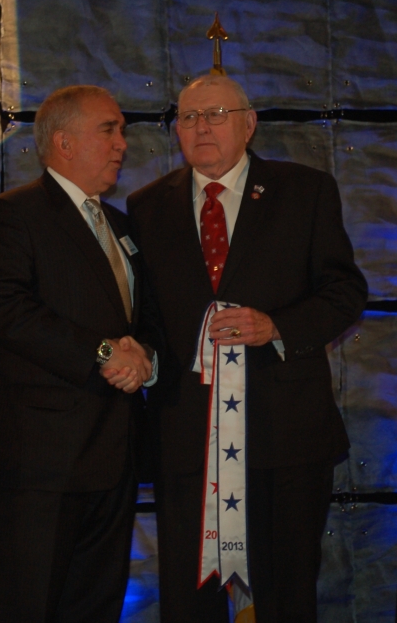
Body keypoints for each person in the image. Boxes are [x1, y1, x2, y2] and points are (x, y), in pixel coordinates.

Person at [127, 75, 368, 623]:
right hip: (187, 445)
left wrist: (275, 326)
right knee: (190, 604)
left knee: (286, 599)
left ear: (249, 123)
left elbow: (345, 292)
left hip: (286, 439)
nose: (201, 127)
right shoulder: (146, 206)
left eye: (216, 114)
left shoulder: (305, 191)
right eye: (188, 117)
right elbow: (149, 318)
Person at [0, 85, 158, 623]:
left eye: (122, 131)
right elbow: (5, 312)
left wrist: (142, 353)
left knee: (95, 609)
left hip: (113, 461)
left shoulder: (121, 226)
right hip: (39, 468)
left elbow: (139, 323)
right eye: (109, 130)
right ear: (64, 142)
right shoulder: (10, 215)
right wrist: (103, 352)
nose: (122, 143)